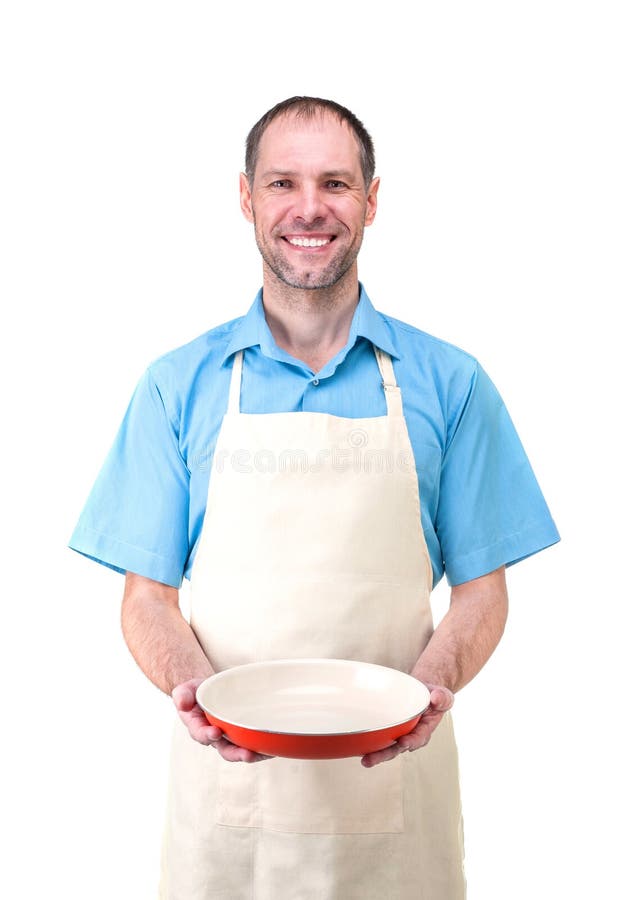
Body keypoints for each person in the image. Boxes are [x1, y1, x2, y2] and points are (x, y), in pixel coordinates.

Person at [69, 96, 559, 899]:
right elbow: (147, 597)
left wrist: (429, 687)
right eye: (281, 183)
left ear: (371, 199)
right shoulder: (176, 386)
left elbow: (481, 593)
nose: (308, 208)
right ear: (244, 198)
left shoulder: (450, 382)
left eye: (334, 183)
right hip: (226, 809)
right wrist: (195, 691)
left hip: (395, 800)